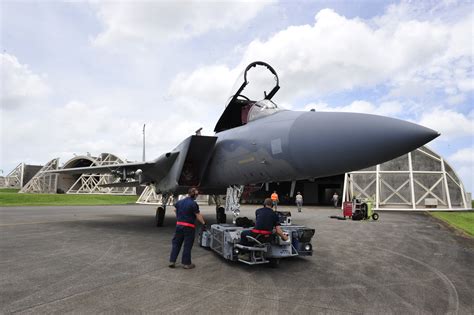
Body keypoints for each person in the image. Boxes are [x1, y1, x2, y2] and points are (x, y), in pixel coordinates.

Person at [169, 187, 206, 269]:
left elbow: (175, 210)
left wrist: (179, 218)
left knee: (176, 243)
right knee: (187, 245)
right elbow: (198, 215)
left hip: (179, 226)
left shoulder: (179, 202)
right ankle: (186, 263)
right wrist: (203, 223)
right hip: (189, 227)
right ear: (195, 195)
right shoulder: (193, 204)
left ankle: (172, 261)